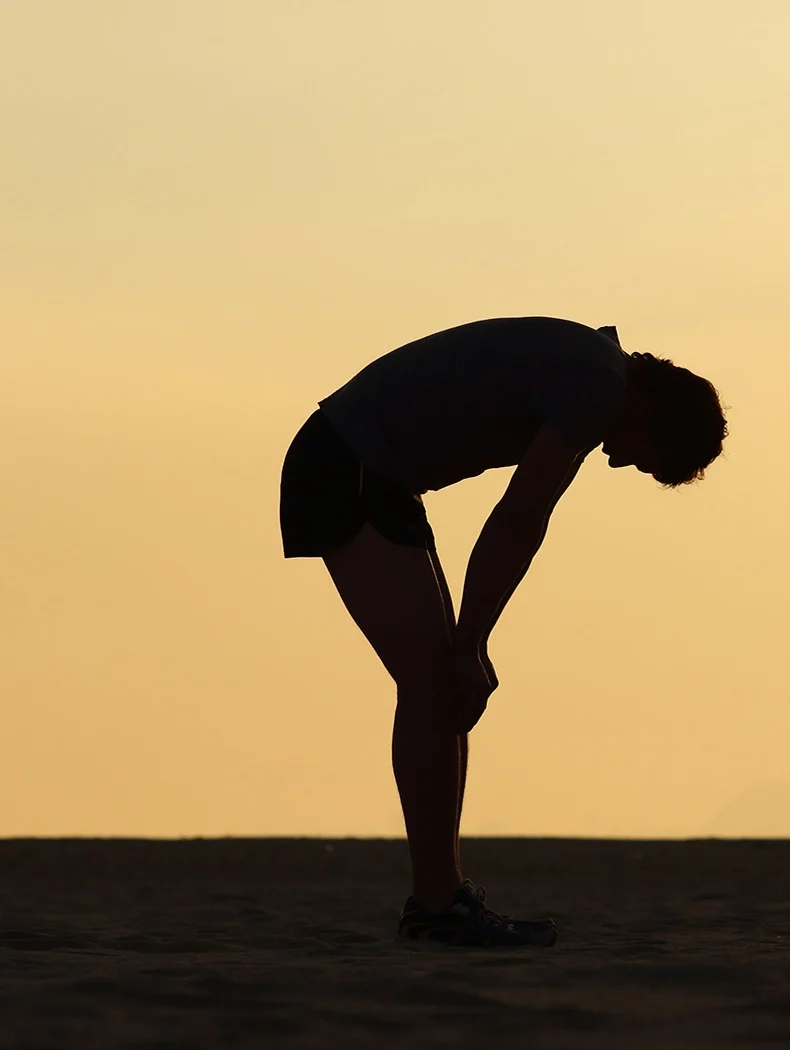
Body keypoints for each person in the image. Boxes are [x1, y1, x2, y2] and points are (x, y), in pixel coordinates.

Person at [279, 316, 726, 947]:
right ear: (654, 409)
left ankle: (442, 896)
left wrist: (471, 643)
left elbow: (524, 523)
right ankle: (435, 905)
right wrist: (471, 643)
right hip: (343, 466)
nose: (621, 462)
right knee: (435, 684)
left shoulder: (595, 374)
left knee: (442, 690)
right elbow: (518, 518)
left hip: (368, 474)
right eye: (646, 459)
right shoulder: (596, 385)